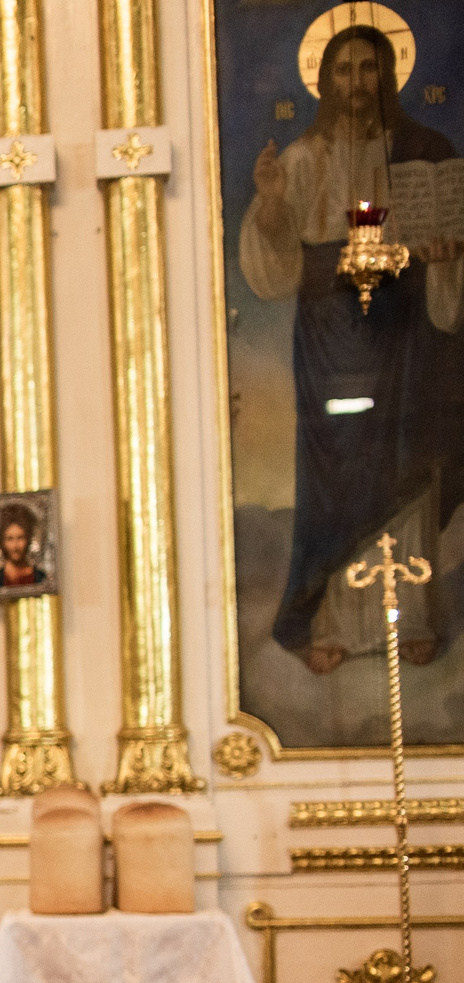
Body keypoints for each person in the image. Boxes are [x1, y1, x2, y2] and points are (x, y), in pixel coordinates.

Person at [240, 22, 464, 674]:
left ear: (387, 77)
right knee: (335, 470)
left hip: (407, 332)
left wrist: (447, 260)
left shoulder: (425, 151)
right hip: (331, 335)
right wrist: (274, 206)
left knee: (407, 452)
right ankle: (328, 617)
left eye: (368, 69)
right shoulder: (305, 161)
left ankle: (412, 615)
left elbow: (445, 236)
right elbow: (276, 266)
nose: (356, 83)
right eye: (343, 71)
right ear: (326, 81)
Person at [0, 502, 43, 592]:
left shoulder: (40, 578)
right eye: (10, 539)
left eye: (20, 538)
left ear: (28, 539)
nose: (15, 546)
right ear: (2, 541)